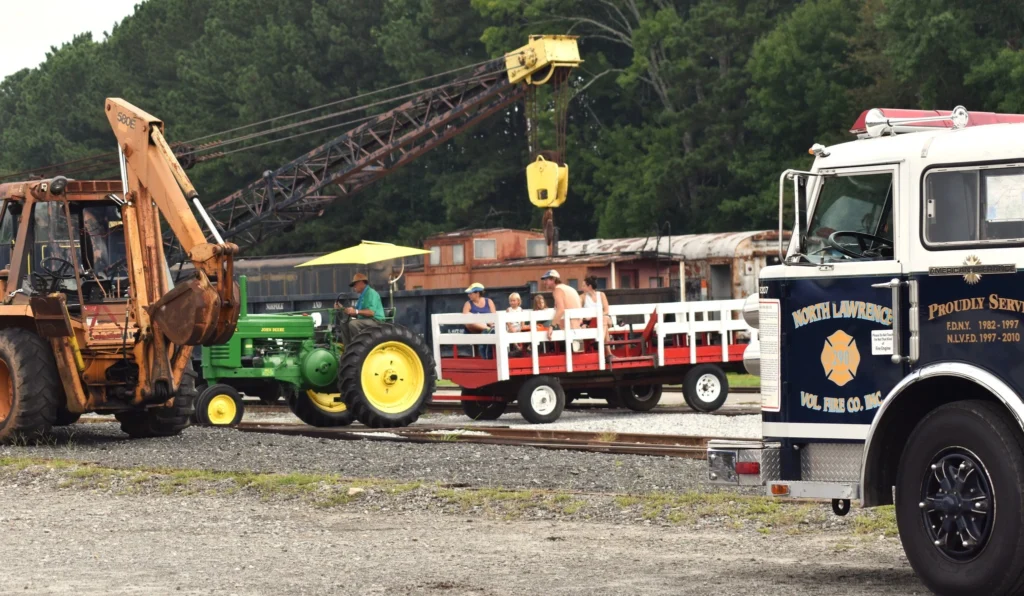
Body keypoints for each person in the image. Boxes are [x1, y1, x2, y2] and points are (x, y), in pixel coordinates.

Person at [335, 273, 384, 347]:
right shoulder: (362, 296)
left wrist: (356, 311)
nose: (354, 287)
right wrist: (341, 308)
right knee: (344, 323)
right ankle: (348, 348)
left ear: (361, 282)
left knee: (353, 323)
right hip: (365, 320)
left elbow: (371, 312)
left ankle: (362, 347)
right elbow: (354, 313)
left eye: (355, 284)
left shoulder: (371, 293)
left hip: (376, 321)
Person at [541, 269, 582, 341]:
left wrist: (551, 326)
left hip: (569, 325)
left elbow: (560, 309)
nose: (544, 282)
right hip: (576, 323)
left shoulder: (557, 290)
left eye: (546, 280)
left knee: (542, 328)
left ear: (553, 279)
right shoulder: (568, 288)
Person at [462, 282, 496, 358]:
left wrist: (489, 323)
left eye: (470, 293)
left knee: (488, 331)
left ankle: (488, 330)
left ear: (477, 293)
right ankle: (488, 329)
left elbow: (494, 317)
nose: (468, 295)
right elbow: (464, 319)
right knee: (469, 321)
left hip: (487, 325)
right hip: (473, 329)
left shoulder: (489, 301)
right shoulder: (468, 303)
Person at [581, 276, 612, 356]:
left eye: (584, 285)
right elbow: (578, 311)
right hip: (591, 322)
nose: (582, 288)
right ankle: (608, 353)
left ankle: (599, 341)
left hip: (602, 319)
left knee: (604, 319)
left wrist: (595, 316)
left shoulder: (601, 295)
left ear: (589, 286)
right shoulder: (582, 297)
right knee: (604, 325)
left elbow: (606, 310)